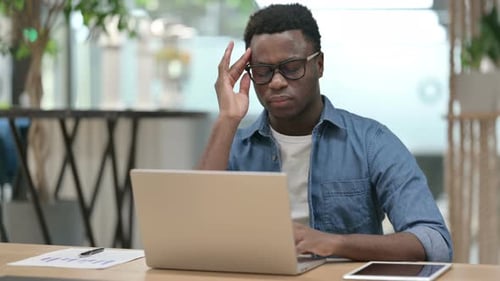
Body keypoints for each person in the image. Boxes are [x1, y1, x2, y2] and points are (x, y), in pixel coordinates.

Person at [198, 3, 453, 262]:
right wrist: (227, 118)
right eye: (263, 72)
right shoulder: (235, 148)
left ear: (319, 65)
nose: (276, 82)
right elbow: (195, 232)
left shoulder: (371, 142)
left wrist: (335, 243)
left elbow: (433, 239)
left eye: (292, 67)